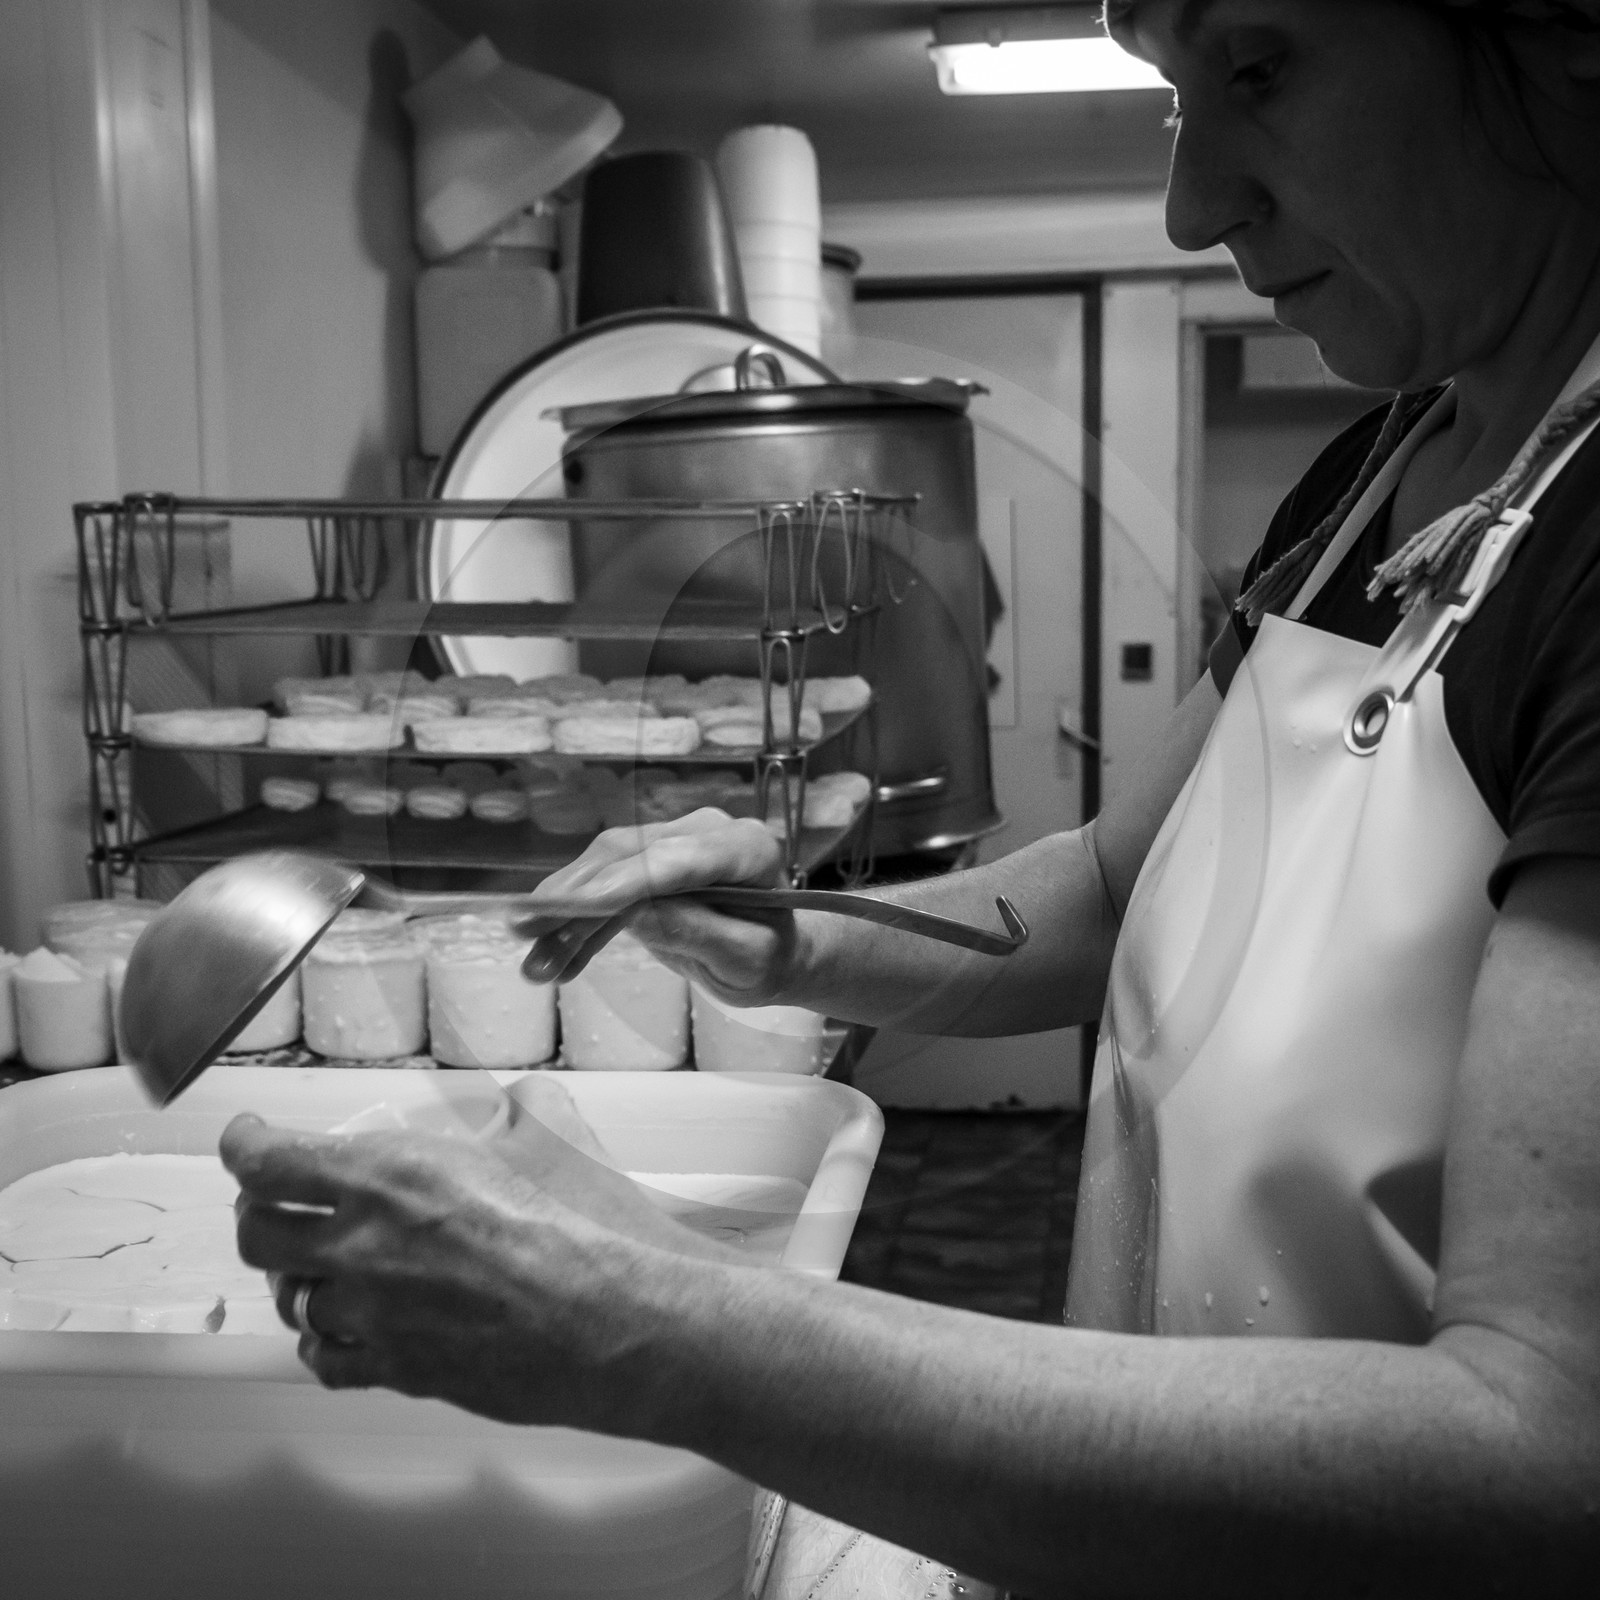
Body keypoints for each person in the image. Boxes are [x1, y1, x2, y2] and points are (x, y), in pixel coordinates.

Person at [223, 2, 1600, 1592]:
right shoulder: (1377, 477)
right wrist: (791, 938)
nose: (1193, 199)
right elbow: (1109, 886)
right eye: (1172, 97)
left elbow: (1543, 1448)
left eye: (1262, 63)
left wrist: (651, 1320)